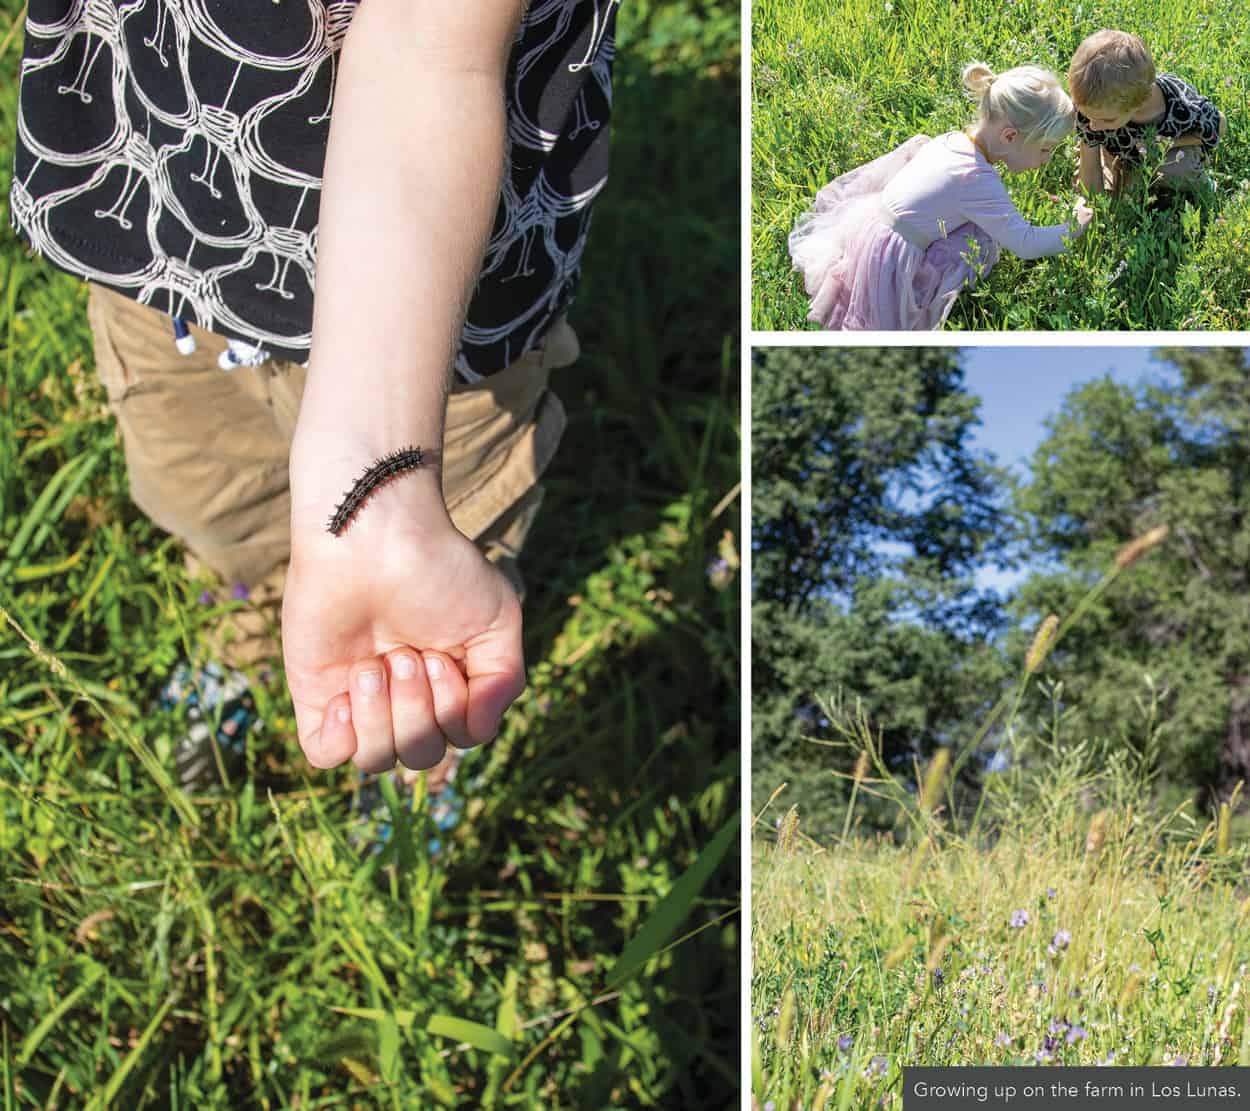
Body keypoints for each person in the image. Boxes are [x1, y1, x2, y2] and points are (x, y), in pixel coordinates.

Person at [10, 0, 616, 781]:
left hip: (434, 323)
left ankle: (419, 754)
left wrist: (384, 497)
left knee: (437, 567)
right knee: (208, 499)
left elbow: (426, 50)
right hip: (161, 225)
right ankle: (250, 631)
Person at [788, 63, 1093, 331]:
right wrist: (1073, 228)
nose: (1046, 160)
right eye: (1045, 149)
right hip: (890, 261)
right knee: (980, 240)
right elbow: (1025, 243)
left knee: (976, 228)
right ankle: (911, 285)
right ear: (1010, 136)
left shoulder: (951, 141)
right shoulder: (976, 179)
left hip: (868, 228)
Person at [1068, 30, 1226, 197]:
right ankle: (1125, 175)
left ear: (1139, 104)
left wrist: (1169, 144)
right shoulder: (1093, 107)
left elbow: (1220, 125)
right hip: (1116, 151)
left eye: (1107, 120)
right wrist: (1095, 206)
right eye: (1088, 116)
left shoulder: (1182, 107)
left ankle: (1203, 184)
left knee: (1176, 168)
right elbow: (1091, 182)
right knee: (1117, 193)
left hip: (1167, 154)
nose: (1093, 125)